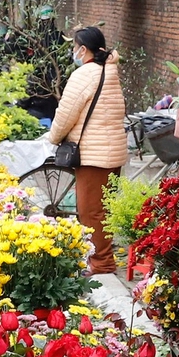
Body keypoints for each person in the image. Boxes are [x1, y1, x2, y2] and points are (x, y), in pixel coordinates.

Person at [46, 25, 127, 275]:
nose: (73, 52)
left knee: (91, 211)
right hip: (112, 151)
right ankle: (103, 256)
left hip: (94, 154)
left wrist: (54, 136)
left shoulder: (85, 74)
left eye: (74, 47)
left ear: (83, 49)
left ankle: (102, 263)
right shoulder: (109, 70)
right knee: (105, 209)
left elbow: (66, 113)